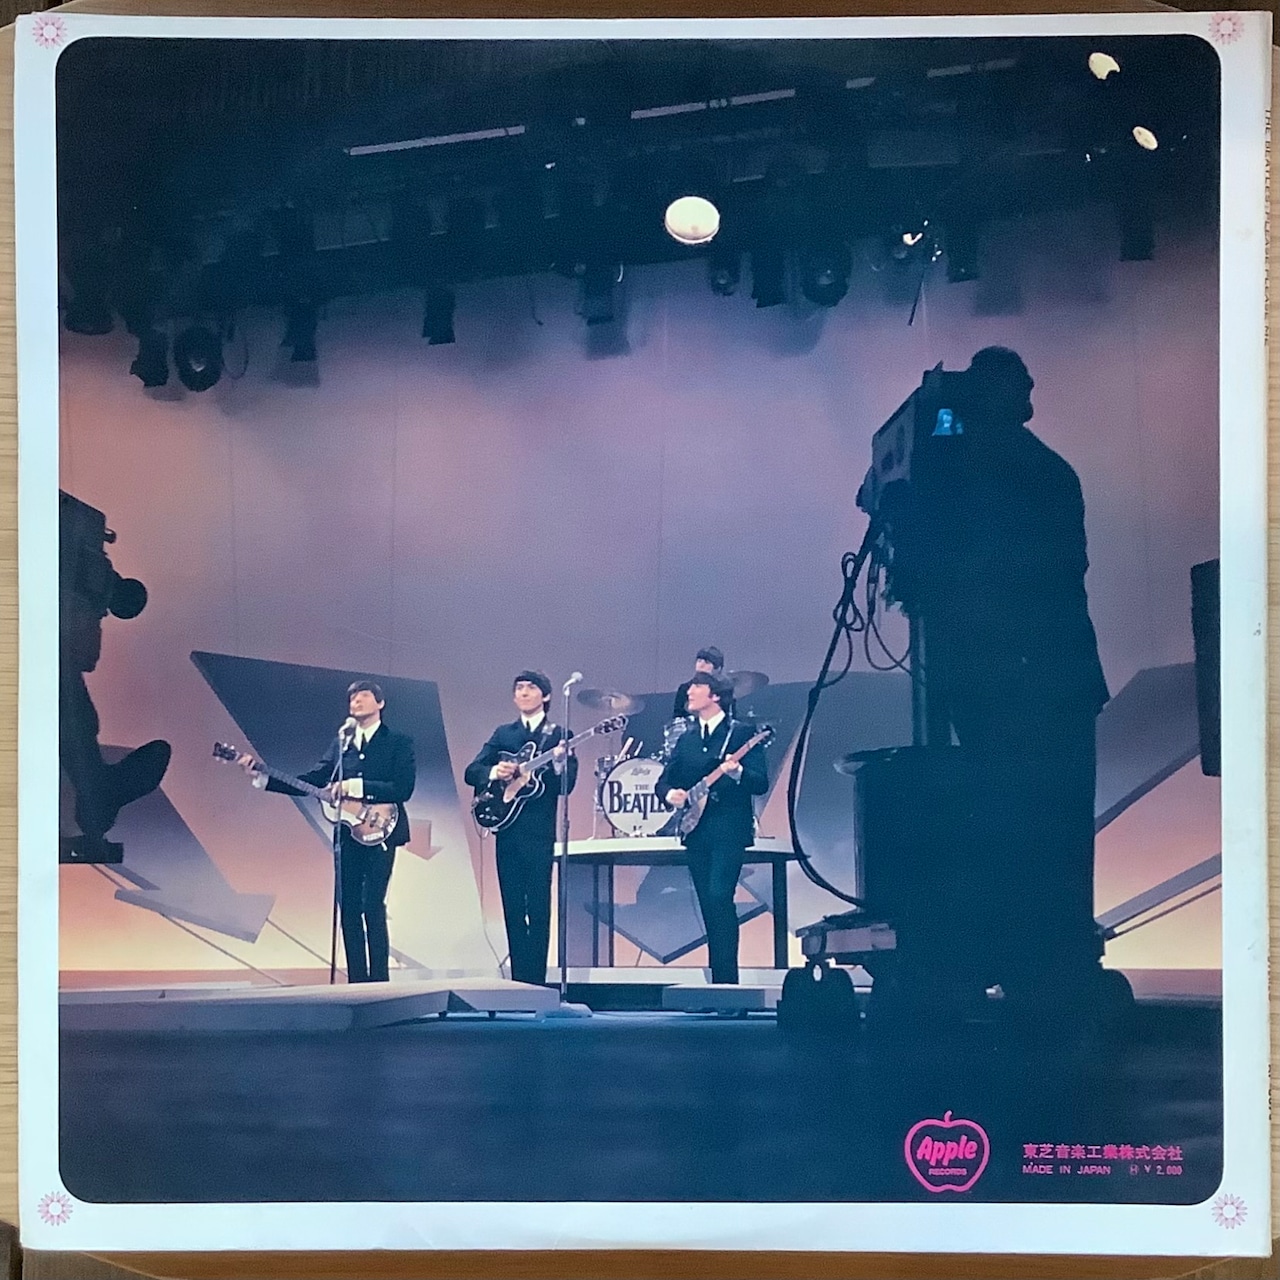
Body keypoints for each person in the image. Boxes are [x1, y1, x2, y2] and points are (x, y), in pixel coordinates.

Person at [885, 346, 1110, 1001]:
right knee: (1052, 821)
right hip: (1048, 676)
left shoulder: (983, 473)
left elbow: (952, 562)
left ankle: (1032, 954)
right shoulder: (1037, 469)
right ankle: (1048, 954)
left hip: (1017, 676)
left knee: (1009, 815)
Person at [238, 679, 416, 983]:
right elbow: (315, 779)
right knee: (348, 906)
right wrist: (264, 776)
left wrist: (354, 786)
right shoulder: (342, 742)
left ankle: (379, 980)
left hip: (382, 831)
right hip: (347, 834)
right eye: (352, 697)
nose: (356, 701)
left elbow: (403, 787)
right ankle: (357, 980)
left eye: (363, 696)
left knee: (373, 905)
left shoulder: (398, 741)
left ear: (380, 703)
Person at [464, 671, 578, 986]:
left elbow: (567, 785)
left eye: (530, 688)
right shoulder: (504, 734)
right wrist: (494, 771)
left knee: (539, 907)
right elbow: (471, 771)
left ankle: (537, 983)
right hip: (507, 830)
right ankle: (518, 983)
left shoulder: (559, 735)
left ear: (546, 696)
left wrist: (558, 763)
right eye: (519, 689)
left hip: (539, 832)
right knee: (512, 907)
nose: (524, 693)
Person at [657, 672, 768, 985]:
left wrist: (738, 772)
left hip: (729, 829)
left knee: (720, 896)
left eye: (697, 686)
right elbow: (665, 780)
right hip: (696, 831)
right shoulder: (687, 739)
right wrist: (670, 793)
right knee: (708, 903)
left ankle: (727, 982)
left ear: (715, 695)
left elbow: (760, 782)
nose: (689, 692)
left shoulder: (741, 733)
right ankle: (719, 982)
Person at [672, 646, 732, 719]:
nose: (701, 665)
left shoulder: (724, 690)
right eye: (699, 661)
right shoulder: (685, 689)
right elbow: (677, 717)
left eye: (707, 662)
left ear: (718, 668)